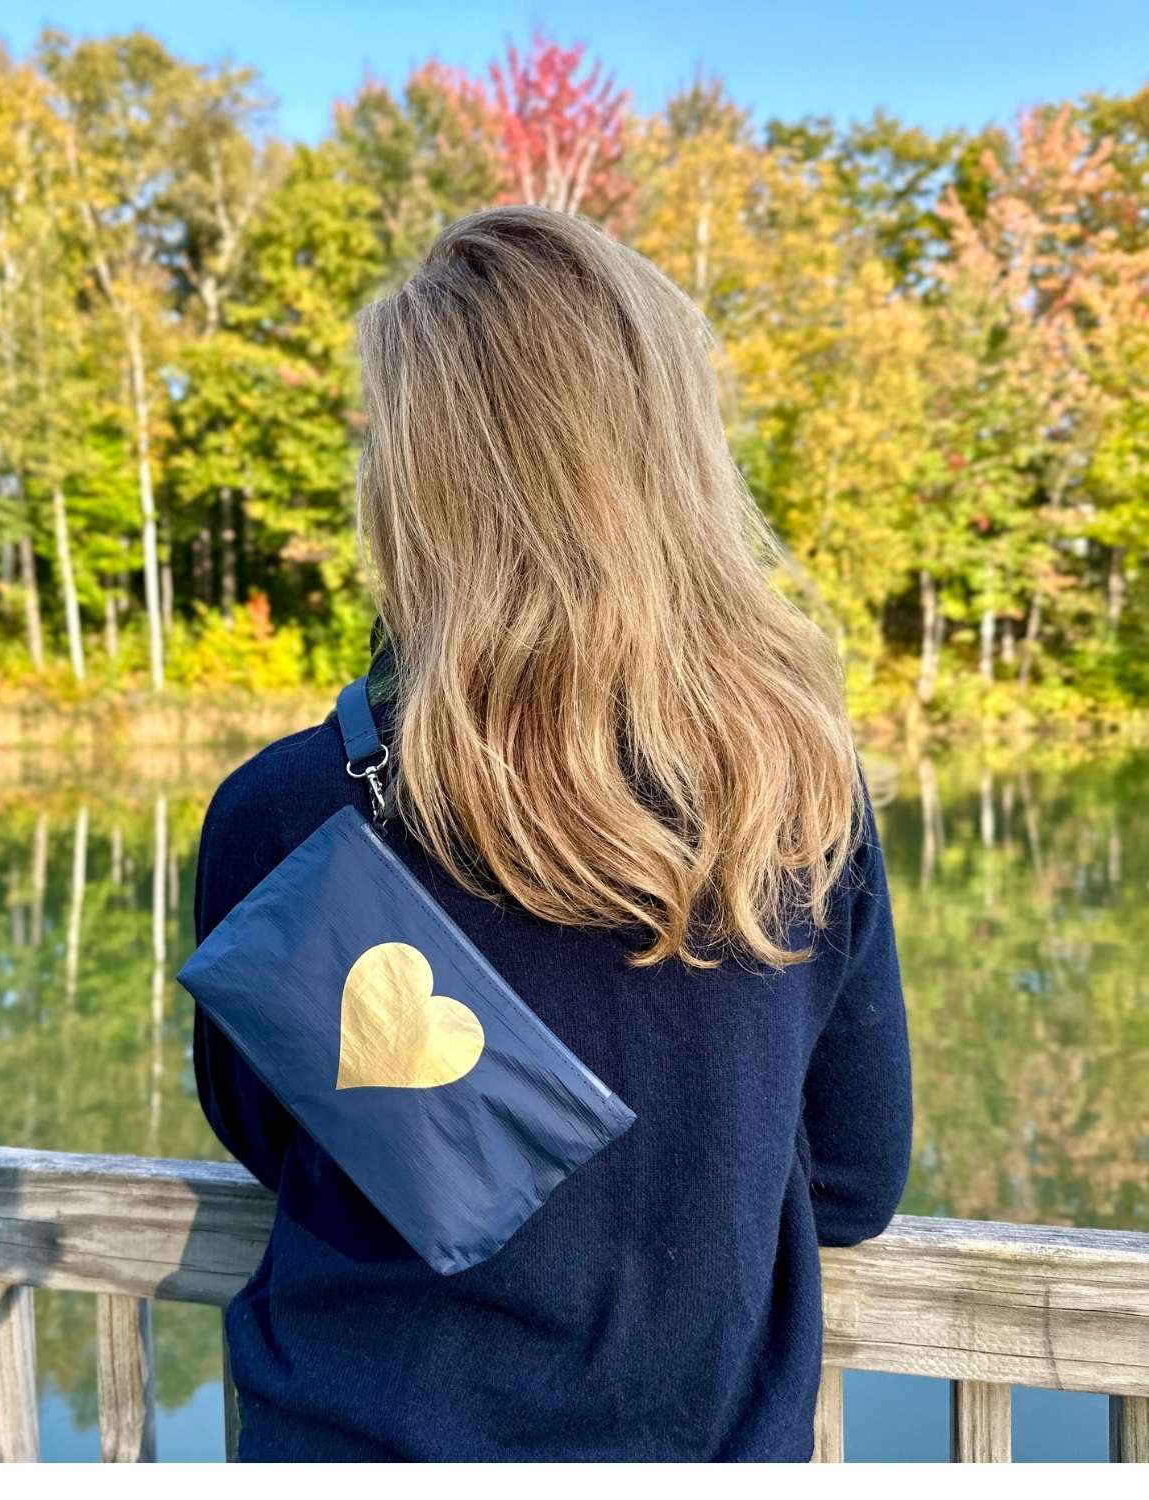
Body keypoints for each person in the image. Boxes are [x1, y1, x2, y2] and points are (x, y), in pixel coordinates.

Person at [192, 204, 911, 1463]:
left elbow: (267, 1136)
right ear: (673, 457)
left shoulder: (283, 812)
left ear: (411, 485)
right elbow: (853, 1185)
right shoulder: (799, 798)